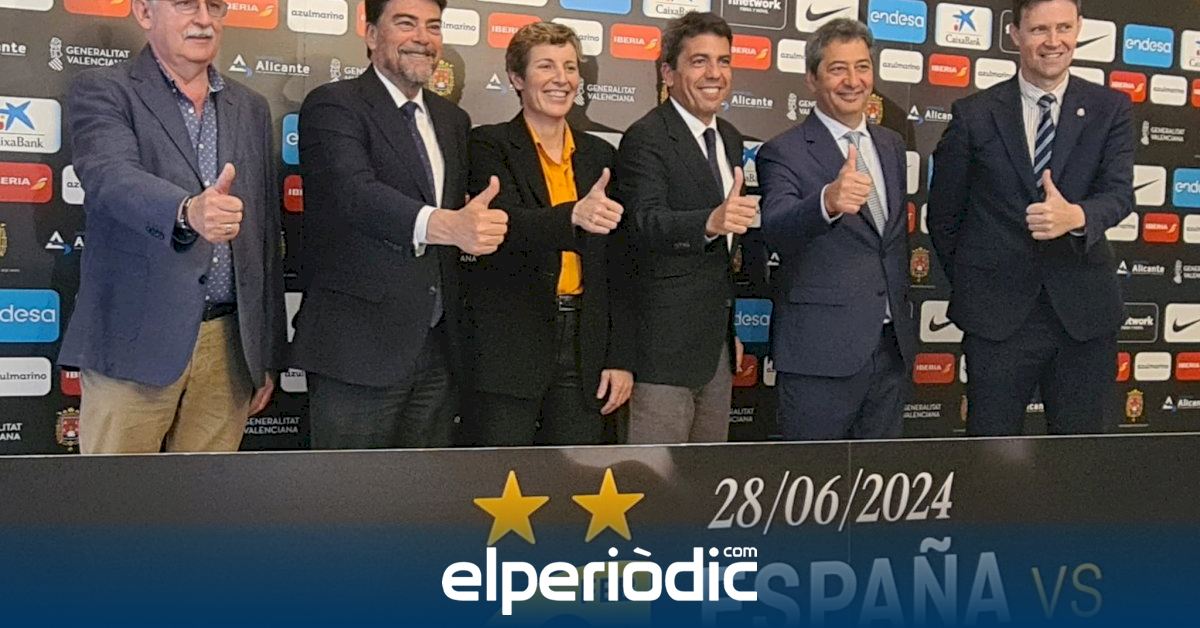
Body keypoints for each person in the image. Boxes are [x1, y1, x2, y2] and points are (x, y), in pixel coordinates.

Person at [60, 0, 286, 453]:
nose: (203, 19)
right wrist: (186, 211)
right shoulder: (104, 90)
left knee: (205, 497)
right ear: (145, 13)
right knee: (115, 493)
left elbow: (264, 236)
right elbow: (110, 178)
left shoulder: (251, 108)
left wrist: (264, 352)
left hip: (229, 348)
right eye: (185, 4)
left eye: (214, 6)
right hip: (134, 341)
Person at [291, 0, 508, 448]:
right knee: (348, 487)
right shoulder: (334, 104)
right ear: (372, 35)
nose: (423, 38)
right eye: (406, 23)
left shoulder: (452, 120)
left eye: (433, 26)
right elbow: (353, 194)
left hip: (437, 350)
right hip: (356, 351)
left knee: (421, 488)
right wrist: (447, 226)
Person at [928, 0, 1134, 435]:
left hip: (1084, 316)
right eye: (1040, 29)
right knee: (992, 459)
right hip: (996, 321)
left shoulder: (1110, 108)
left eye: (1064, 28)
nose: (1053, 41)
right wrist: (978, 282)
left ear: (1079, 28)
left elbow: (1119, 195)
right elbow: (944, 217)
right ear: (1015, 34)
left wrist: (1076, 215)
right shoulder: (974, 114)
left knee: (1081, 460)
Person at [463, 22, 634, 446]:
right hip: (511, 346)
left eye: (570, 67)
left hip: (586, 346)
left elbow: (620, 264)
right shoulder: (488, 145)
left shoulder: (600, 155)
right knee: (500, 475)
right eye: (546, 66)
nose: (562, 79)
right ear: (517, 78)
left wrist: (620, 357)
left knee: (575, 478)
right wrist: (573, 216)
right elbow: (505, 225)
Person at [757, 18, 917, 440]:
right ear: (811, 79)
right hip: (819, 356)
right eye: (837, 69)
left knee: (880, 477)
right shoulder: (783, 151)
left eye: (862, 67)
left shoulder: (891, 145)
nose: (853, 81)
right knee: (811, 474)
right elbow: (775, 227)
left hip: (890, 349)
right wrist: (827, 201)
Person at [614, 12, 751, 444]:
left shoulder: (730, 137)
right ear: (668, 73)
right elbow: (644, 221)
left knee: (704, 478)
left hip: (716, 353)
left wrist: (727, 334)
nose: (715, 73)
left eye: (723, 61)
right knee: (656, 479)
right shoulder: (647, 137)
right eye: (699, 61)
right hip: (662, 354)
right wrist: (708, 222)